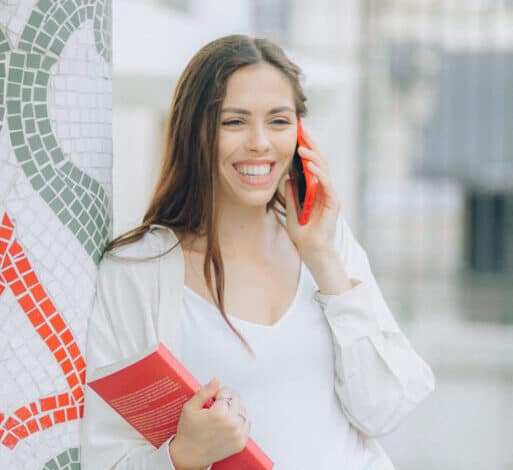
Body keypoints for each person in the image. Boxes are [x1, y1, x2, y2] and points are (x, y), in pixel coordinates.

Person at [80, 35, 435, 470]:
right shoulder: (136, 271)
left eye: (279, 121)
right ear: (196, 132)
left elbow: (384, 410)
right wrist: (183, 456)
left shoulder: (328, 241)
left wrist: (323, 261)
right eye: (234, 122)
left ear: (301, 135)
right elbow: (104, 459)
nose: (260, 143)